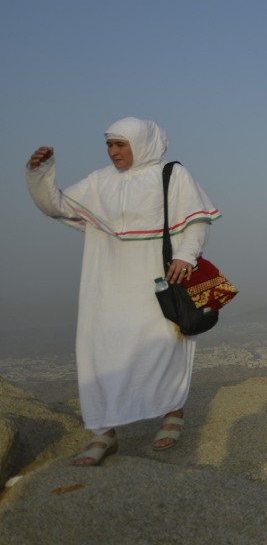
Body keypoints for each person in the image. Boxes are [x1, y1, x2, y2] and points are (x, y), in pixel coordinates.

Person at [25, 117, 219, 466]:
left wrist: (185, 257)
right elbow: (56, 205)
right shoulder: (100, 182)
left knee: (164, 342)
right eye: (109, 145)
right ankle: (104, 432)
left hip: (159, 280)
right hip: (107, 283)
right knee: (101, 350)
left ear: (140, 143)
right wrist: (40, 173)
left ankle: (172, 412)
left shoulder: (173, 175)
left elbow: (197, 220)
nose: (113, 152)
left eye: (120, 144)